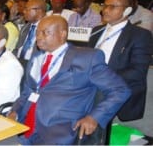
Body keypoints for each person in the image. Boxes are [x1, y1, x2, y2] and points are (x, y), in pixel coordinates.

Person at [7, 15, 131, 145]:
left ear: (62, 34)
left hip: (58, 131)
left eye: (46, 32)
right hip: (24, 125)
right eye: (38, 32)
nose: (39, 36)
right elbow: (28, 91)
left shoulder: (87, 58)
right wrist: (15, 111)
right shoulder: (36, 57)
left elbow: (120, 90)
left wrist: (94, 117)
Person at [88, 0, 153, 143]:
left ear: (127, 11)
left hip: (114, 88)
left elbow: (137, 72)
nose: (105, 10)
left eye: (112, 6)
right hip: (89, 85)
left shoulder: (139, 35)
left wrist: (101, 78)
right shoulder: (95, 31)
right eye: (105, 5)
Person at [13, 0, 46, 67]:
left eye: (27, 9)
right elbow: (17, 48)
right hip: (17, 61)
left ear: (39, 11)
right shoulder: (26, 27)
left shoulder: (47, 28)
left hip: (34, 64)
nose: (24, 12)